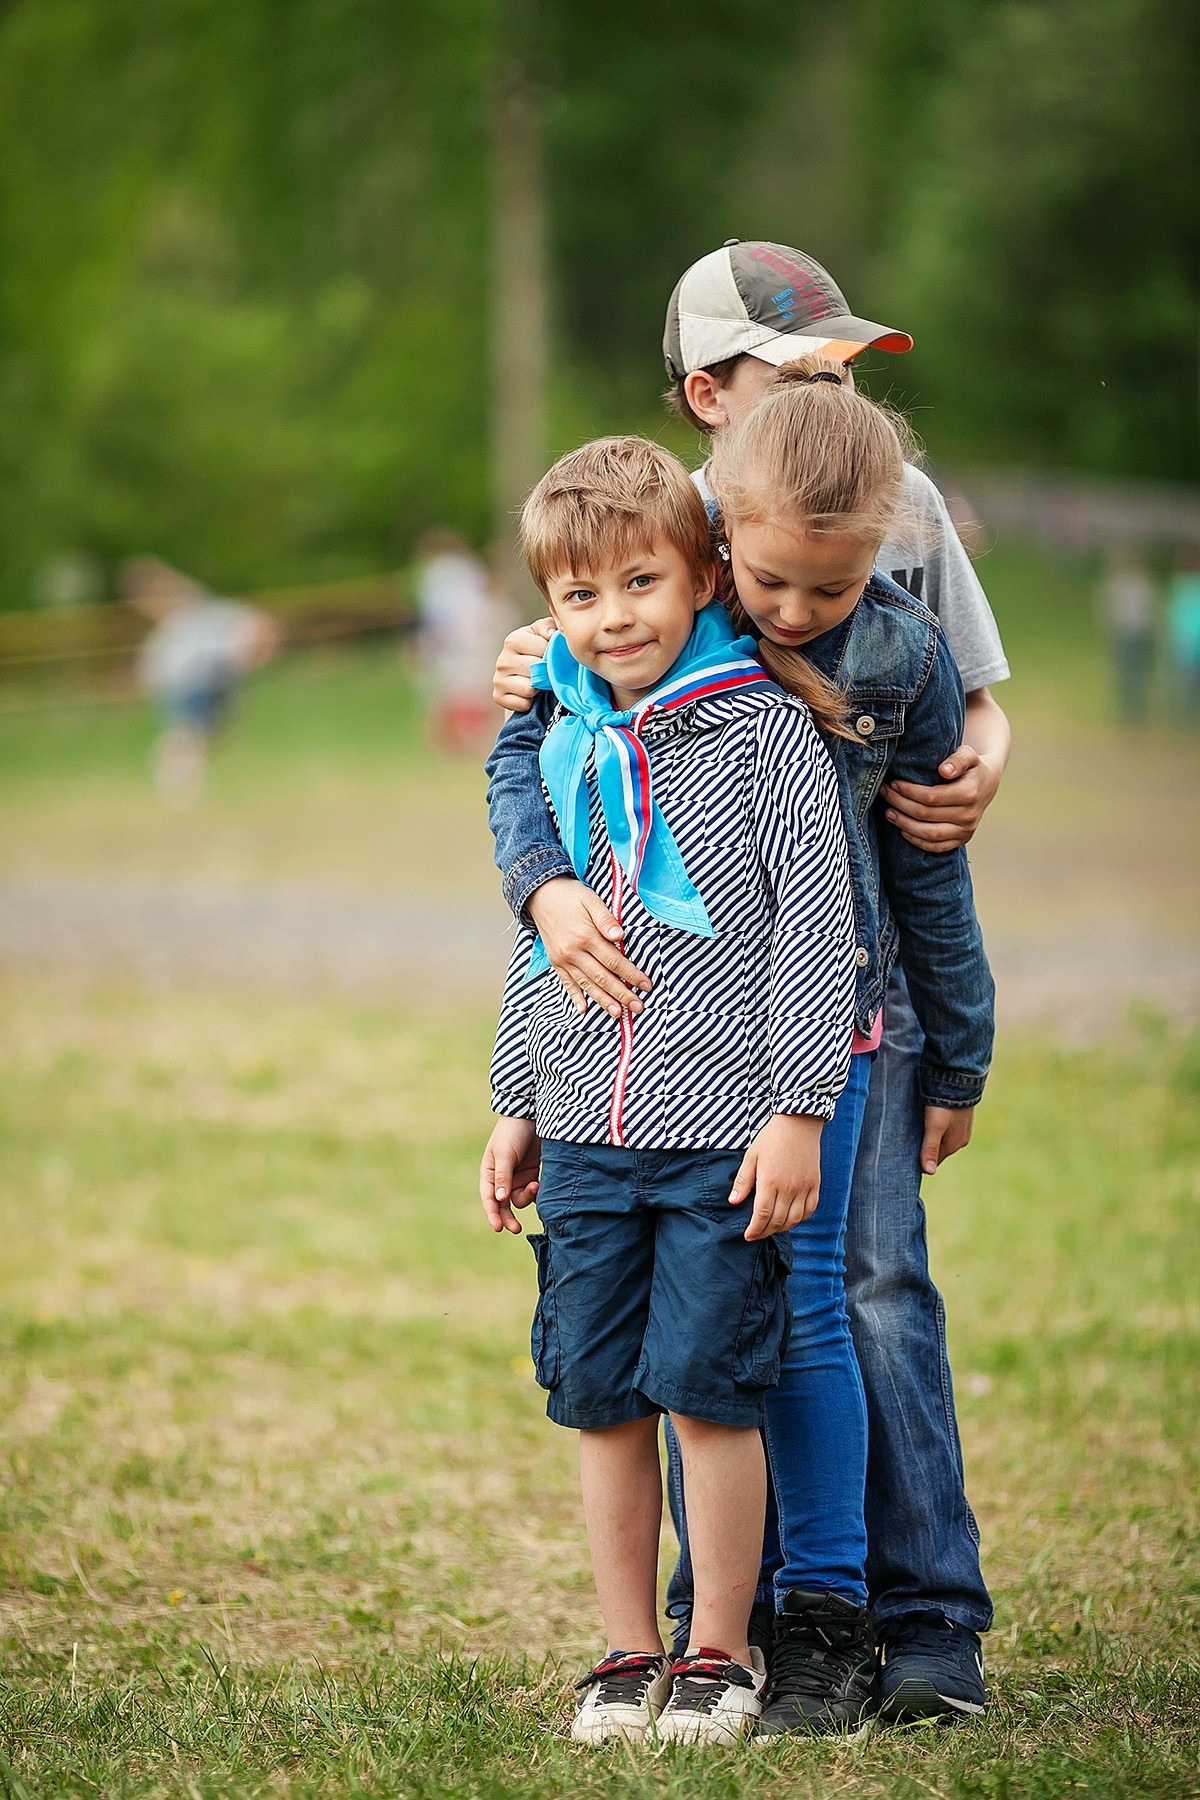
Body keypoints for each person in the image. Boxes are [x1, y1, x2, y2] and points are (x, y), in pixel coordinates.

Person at [489, 240, 1009, 1727]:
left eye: (844, 369)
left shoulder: (899, 521)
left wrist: (960, 1034)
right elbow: (544, 764)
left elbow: (957, 745)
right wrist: (543, 890)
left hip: (843, 1021)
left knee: (861, 1298)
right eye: (798, 371)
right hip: (662, 1049)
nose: (792, 604)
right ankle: (728, 1623)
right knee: (709, 1326)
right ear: (712, 394)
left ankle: (915, 1619)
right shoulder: (654, 558)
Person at [480, 436, 858, 1746]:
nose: (614, 618)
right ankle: (623, 1651)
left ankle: (716, 1653)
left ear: (702, 574)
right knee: (600, 1399)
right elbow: (547, 940)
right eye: (579, 596)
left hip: (719, 1142)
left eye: (640, 582)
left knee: (707, 1392)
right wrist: (519, 1099)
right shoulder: (567, 738)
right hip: (587, 1132)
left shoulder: (765, 736)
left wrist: (799, 1109)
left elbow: (817, 933)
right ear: (551, 607)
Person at [124, 556, 279, 804]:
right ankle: (176, 780)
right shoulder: (221, 619)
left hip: (202, 676)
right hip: (192, 677)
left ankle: (182, 776)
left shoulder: (206, 611)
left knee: (204, 735)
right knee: (190, 733)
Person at [414, 531, 507, 754]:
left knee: (455, 698)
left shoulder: (441, 575)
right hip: (467, 646)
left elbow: (439, 615)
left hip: (457, 648)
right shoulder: (468, 570)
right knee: (464, 697)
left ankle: (462, 744)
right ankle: (465, 743)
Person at [1099, 546, 1156, 725]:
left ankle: (1135, 709)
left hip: (1136, 635)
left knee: (1134, 673)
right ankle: (1130, 709)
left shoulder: (1138, 584)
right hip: (1126, 635)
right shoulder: (1124, 584)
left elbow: (1148, 611)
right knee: (1128, 673)